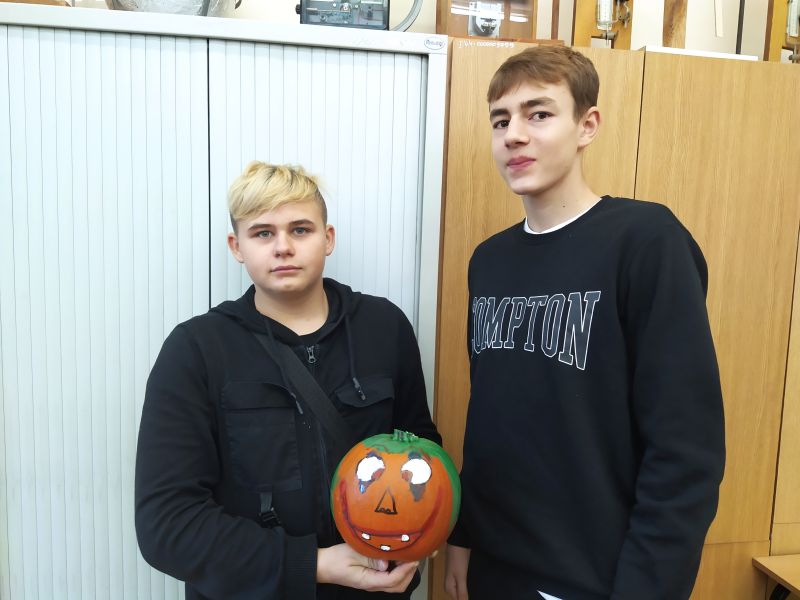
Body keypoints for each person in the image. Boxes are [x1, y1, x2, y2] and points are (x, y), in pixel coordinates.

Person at [444, 46, 725, 600]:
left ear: (586, 125)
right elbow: (491, 418)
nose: (514, 135)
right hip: (497, 568)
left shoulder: (646, 241)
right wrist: (464, 534)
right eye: (500, 120)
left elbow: (685, 450)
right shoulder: (489, 261)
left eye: (538, 114)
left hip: (594, 576)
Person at [135, 161, 440, 599]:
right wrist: (313, 565)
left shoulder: (384, 328)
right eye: (263, 233)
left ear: (328, 238)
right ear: (236, 246)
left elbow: (422, 453)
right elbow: (166, 525)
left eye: (300, 229)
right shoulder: (195, 350)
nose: (283, 247)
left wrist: (424, 532)